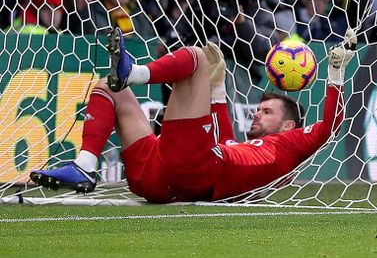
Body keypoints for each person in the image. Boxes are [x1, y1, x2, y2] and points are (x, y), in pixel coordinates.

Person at [31, 28, 355, 203]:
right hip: (155, 179)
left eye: (267, 111)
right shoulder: (248, 151)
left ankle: (134, 72)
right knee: (108, 88)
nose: (257, 113)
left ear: (288, 125)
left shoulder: (289, 147)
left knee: (196, 57)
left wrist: (335, 74)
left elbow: (330, 126)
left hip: (193, 172)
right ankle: (86, 166)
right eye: (258, 108)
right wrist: (218, 89)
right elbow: (223, 140)